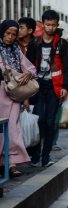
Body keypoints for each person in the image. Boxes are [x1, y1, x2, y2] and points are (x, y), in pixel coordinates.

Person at [26, 10, 68, 167]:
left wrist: (65, 87)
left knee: (51, 121)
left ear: (57, 25)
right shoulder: (35, 43)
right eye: (48, 24)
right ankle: (35, 155)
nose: (51, 28)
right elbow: (28, 64)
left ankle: (45, 157)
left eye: (53, 25)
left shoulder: (62, 44)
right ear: (43, 23)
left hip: (55, 87)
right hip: (38, 87)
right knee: (39, 120)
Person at [0, 20, 37, 177]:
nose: (9, 37)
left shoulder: (16, 49)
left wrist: (28, 73)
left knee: (13, 130)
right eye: (7, 33)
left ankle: (11, 163)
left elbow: (30, 67)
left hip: (14, 94)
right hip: (1, 92)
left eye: (13, 34)